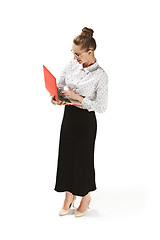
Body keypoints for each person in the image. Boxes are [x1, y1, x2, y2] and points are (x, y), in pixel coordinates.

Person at [51, 27, 108, 217]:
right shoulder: (71, 65)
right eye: (73, 53)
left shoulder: (100, 75)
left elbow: (101, 106)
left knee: (83, 159)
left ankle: (85, 196)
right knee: (66, 156)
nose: (75, 57)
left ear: (90, 52)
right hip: (69, 117)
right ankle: (68, 196)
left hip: (85, 121)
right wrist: (56, 98)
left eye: (78, 54)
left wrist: (79, 98)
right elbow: (58, 87)